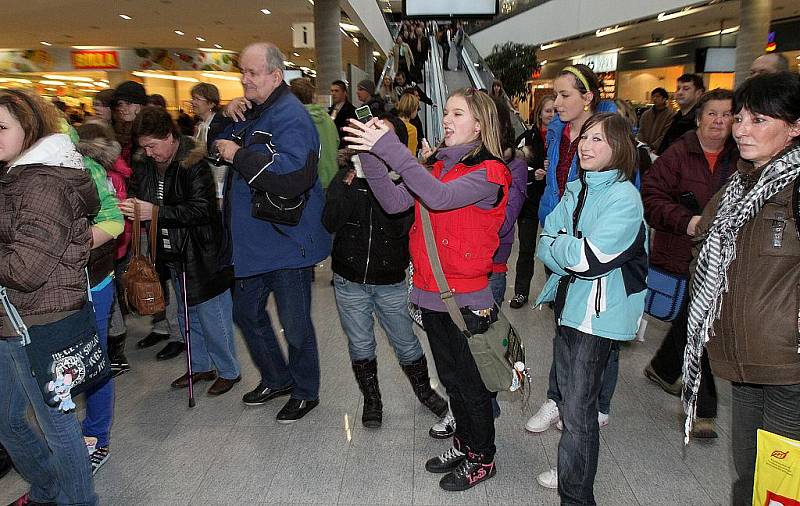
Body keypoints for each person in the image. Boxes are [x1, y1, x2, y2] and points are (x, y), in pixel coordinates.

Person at [344, 87, 511, 491]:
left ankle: (482, 457)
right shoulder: (436, 164)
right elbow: (394, 201)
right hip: (432, 295)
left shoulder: (490, 172)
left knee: (471, 387)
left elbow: (438, 199)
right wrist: (372, 153)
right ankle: (465, 441)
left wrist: (392, 147)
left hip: (467, 300)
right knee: (453, 380)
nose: (448, 120)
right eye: (447, 113)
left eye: (458, 114)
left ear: (480, 123)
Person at [684, 71, 800, 506]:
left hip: (790, 365)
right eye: (741, 118)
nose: (743, 130)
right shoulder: (740, 184)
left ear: (794, 128)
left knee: (782, 485)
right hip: (742, 360)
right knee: (749, 473)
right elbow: (703, 242)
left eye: (759, 120)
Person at [534, 112, 648, 504]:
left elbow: (589, 259)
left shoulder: (624, 198)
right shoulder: (577, 188)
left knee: (579, 413)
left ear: (619, 148)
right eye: (585, 137)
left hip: (597, 317)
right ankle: (571, 473)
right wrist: (562, 245)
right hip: (569, 305)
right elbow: (542, 243)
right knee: (571, 405)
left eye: (598, 139)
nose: (586, 145)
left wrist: (562, 244)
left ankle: (577, 497)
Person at [216, 42, 330, 422]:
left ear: (275, 76)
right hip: (253, 243)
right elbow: (214, 144)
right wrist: (224, 114)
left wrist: (238, 156)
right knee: (245, 312)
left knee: (294, 323)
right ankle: (277, 376)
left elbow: (294, 176)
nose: (245, 79)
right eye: (243, 72)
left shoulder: (291, 116)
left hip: (286, 241)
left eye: (252, 73)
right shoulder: (252, 110)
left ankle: (305, 389)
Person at [0, 89, 100, 506]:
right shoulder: (18, 175)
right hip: (14, 320)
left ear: (29, 127)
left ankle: (76, 499)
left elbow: (26, 269)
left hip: (40, 322)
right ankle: (47, 488)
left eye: (1, 127)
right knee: (9, 420)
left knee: (56, 423)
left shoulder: (41, 183)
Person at [527, 67, 622, 491]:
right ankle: (560, 395)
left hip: (592, 258)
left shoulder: (610, 145)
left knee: (595, 338)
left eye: (565, 95)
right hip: (562, 230)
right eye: (555, 96)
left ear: (587, 97)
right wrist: (554, 233)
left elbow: (605, 236)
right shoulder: (557, 134)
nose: (557, 103)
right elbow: (561, 197)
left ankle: (588, 407)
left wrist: (560, 242)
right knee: (564, 327)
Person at [322, 119, 447, 429]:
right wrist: (353, 185)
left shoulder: (405, 183)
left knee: (405, 342)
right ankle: (372, 399)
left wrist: (382, 182)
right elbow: (329, 222)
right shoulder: (344, 179)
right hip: (349, 278)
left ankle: (424, 392)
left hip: (390, 278)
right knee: (361, 344)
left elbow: (404, 225)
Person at [122, 106, 240, 395]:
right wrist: (132, 206)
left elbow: (202, 210)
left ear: (170, 136)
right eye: (143, 147)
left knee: (214, 316)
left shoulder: (194, 162)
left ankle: (229, 370)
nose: (149, 152)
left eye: (152, 145)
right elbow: (141, 196)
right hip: (170, 250)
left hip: (203, 252)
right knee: (189, 316)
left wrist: (156, 212)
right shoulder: (144, 163)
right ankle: (199, 366)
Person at [642, 88, 738, 439]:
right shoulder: (679, 153)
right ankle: (699, 402)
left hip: (722, 259)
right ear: (698, 118)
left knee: (699, 323)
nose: (719, 121)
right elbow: (651, 196)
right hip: (681, 252)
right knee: (700, 325)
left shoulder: (741, 158)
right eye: (712, 113)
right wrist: (687, 220)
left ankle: (668, 371)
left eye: (727, 115)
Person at [74, 120, 126, 474]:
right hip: (40, 289)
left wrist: (66, 250)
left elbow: (112, 220)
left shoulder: (82, 167)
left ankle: (95, 436)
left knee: (94, 360)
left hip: (91, 280)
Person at [509, 95, 553, 309]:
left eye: (555, 110)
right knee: (526, 249)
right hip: (529, 203)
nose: (551, 114)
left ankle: (553, 293)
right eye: (547, 110)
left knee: (554, 248)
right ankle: (521, 292)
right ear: (539, 113)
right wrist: (531, 174)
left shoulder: (565, 140)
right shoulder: (527, 138)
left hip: (554, 203)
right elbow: (513, 167)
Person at [290, 78, 338, 189]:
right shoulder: (326, 117)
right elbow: (336, 141)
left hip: (311, 182)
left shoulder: (295, 119)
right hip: (332, 178)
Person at [191, 82, 230, 205]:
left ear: (211, 103)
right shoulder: (201, 125)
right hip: (208, 181)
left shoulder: (220, 124)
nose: (193, 102)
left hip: (219, 182)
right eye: (193, 98)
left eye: (197, 99)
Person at [656, 74, 706, 155]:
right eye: (678, 88)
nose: (679, 93)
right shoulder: (676, 118)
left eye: (686, 89)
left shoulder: (700, 121)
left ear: (698, 93)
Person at [329, 80, 357, 147]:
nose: (333, 93)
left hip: (344, 147)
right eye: (332, 91)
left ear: (344, 93)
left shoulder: (352, 111)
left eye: (336, 91)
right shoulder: (331, 110)